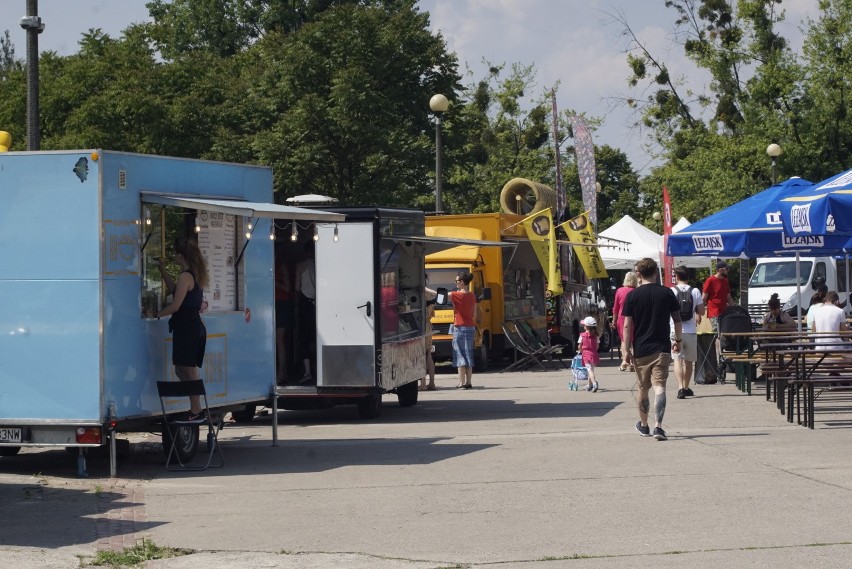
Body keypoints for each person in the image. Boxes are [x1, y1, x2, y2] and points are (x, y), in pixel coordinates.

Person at [622, 257, 682, 441]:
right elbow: (678, 320)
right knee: (660, 387)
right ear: (656, 272)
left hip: (641, 349)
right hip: (662, 348)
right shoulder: (667, 293)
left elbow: (626, 326)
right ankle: (659, 427)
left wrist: (626, 351)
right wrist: (677, 340)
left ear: (638, 274)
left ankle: (644, 425)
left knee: (643, 388)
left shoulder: (632, 296)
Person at [155, 237, 209, 420]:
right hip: (190, 325)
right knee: (181, 368)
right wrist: (163, 271)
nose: (174, 256)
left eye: (175, 253)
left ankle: (196, 408)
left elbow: (176, 305)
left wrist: (156, 314)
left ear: (181, 255)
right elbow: (175, 290)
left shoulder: (186, 276)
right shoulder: (192, 274)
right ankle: (196, 406)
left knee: (188, 368)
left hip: (188, 326)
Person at [671, 265, 705, 399]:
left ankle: (680, 388)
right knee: (689, 362)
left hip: (675, 329)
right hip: (691, 330)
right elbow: (702, 311)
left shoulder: (672, 291)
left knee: (678, 360)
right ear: (688, 277)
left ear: (677, 277)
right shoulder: (695, 291)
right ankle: (686, 387)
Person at [702, 260, 734, 364]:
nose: (728, 271)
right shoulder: (710, 280)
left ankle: (724, 355)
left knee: (725, 334)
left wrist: (734, 310)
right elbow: (704, 297)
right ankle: (720, 356)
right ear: (720, 269)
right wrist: (699, 312)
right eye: (726, 269)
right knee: (718, 334)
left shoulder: (725, 281)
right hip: (714, 312)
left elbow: (728, 297)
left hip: (725, 312)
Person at [450, 271, 477, 389]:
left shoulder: (457, 295)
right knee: (468, 354)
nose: (455, 283)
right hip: (470, 326)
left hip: (459, 327)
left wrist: (424, 289)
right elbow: (474, 313)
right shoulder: (472, 295)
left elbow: (438, 294)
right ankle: (469, 382)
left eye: (456, 281)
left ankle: (461, 383)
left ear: (462, 282)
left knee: (460, 354)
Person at [295, 240, 317, 383]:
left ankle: (307, 371)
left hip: (305, 304)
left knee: (304, 337)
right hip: (320, 304)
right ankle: (318, 367)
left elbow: (297, 287)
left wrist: (295, 305)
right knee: (316, 337)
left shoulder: (300, 266)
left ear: (305, 252)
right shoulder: (322, 263)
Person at [274, 252, 295, 385]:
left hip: (283, 304)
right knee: (278, 340)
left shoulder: (281, 267)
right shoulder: (273, 266)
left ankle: (281, 373)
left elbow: (287, 288)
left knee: (279, 339)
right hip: (276, 304)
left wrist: (273, 281)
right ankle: (282, 372)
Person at [612, 271, 638, 371]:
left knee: (624, 340)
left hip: (622, 318)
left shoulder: (620, 291)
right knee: (634, 340)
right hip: (635, 318)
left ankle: (625, 361)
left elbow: (615, 308)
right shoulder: (636, 291)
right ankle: (632, 362)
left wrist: (614, 321)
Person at [420, 287, 438, 391]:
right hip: (428, 326)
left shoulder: (419, 292)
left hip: (420, 326)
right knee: (429, 354)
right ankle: (432, 382)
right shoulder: (430, 295)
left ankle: (422, 383)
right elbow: (432, 314)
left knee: (421, 354)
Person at [577, 316, 600, 392]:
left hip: (586, 355)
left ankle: (594, 383)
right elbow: (597, 346)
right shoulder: (596, 335)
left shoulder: (582, 335)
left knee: (589, 370)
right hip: (594, 354)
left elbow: (579, 346)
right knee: (592, 370)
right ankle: (589, 385)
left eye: (584, 325)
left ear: (586, 327)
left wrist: (580, 350)